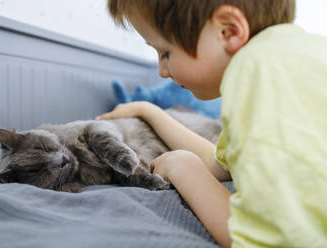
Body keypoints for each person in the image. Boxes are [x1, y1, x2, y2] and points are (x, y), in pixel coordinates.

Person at [97, 1, 327, 247]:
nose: (162, 71)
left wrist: (184, 170)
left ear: (228, 31)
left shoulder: (255, 72)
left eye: (165, 53)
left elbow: (272, 237)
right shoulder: (295, 54)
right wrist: (150, 112)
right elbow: (222, 165)